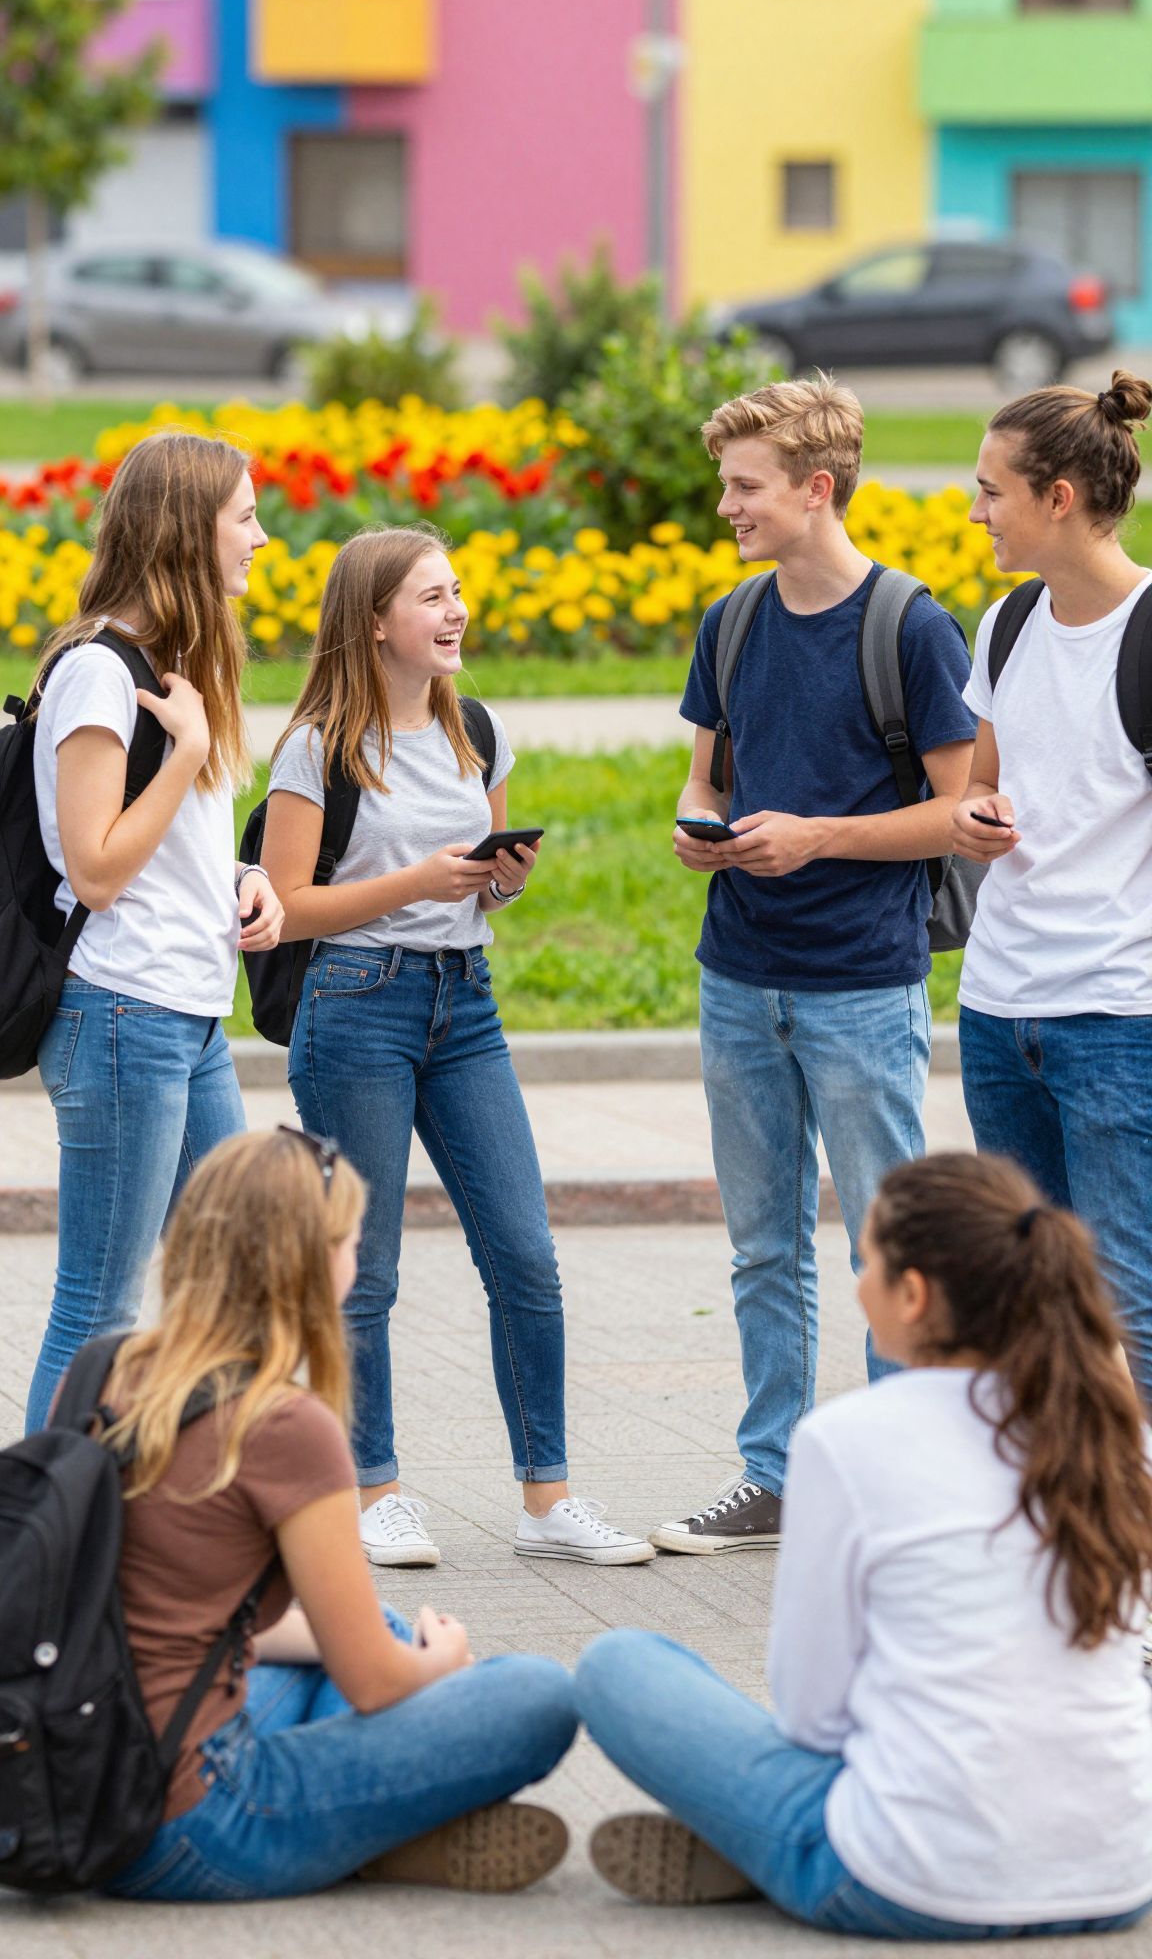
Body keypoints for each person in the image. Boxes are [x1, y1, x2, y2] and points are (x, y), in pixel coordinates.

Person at [576, 1151, 1152, 1936]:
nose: (858, 1283)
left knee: (621, 1665)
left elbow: (811, 1716)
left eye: (869, 1261)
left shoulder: (849, 1440)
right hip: (1120, 1877)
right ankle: (761, 1843)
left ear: (912, 1295)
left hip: (905, 1884)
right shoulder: (1118, 1434)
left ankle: (762, 1847)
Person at [259, 525, 652, 1569]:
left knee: (525, 1251)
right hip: (355, 1004)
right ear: (375, 621)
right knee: (365, 1269)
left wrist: (499, 877)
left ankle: (547, 1496)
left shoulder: (476, 726)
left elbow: (488, 872)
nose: (454, 610)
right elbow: (284, 907)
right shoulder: (315, 749)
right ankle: (371, 1487)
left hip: (464, 1004)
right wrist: (413, 883)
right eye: (431, 596)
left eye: (457, 590)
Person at [652, 378, 975, 1556]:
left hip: (860, 980)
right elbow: (709, 776)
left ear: (815, 488)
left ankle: (904, 1485)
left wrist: (818, 837)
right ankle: (774, 1474)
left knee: (889, 1242)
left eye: (745, 486)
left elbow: (963, 814)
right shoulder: (731, 620)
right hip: (737, 972)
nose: (727, 505)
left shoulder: (912, 627)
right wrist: (703, 825)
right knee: (763, 1241)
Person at [88, 1127, 577, 1902]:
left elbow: (164, 1608)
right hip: (192, 1820)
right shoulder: (285, 1425)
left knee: (362, 1624)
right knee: (538, 1694)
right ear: (310, 1265)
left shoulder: (106, 1368)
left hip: (79, 1771)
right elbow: (377, 1685)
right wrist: (444, 1664)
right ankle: (374, 1836)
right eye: (349, 1240)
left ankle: (361, 1831)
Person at [25, 433, 285, 1433]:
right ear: (190, 530)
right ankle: (36, 1550)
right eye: (246, 516)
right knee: (99, 1308)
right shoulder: (101, 673)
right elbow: (92, 864)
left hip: (183, 1014)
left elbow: (158, 850)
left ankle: (177, 1518)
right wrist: (185, 755)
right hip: (122, 1011)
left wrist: (240, 879)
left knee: (235, 1279)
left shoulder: (170, 669)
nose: (261, 537)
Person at [953, 371, 1152, 1406]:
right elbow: (982, 784)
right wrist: (974, 817)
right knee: (1033, 1287)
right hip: (998, 1008)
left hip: (1118, 1014)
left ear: (1060, 497)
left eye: (992, 491)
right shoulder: (1010, 622)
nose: (977, 511)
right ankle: (1064, 1524)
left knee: (1129, 1296)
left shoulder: (1148, 630)